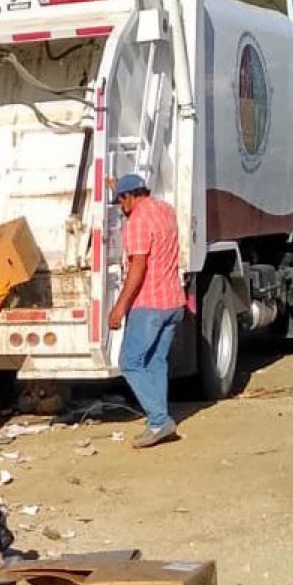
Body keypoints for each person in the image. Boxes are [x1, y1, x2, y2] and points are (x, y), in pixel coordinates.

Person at [106, 174, 185, 448]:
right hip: (173, 300)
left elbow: (138, 268)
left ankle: (160, 420)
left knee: (130, 362)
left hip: (148, 304)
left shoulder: (137, 222)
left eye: (120, 201)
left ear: (129, 197)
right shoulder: (165, 210)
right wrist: (119, 187)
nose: (120, 207)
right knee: (155, 362)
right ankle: (158, 420)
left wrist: (119, 307)